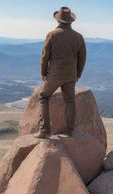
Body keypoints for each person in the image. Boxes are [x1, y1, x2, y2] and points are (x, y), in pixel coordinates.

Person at [35, 7, 86, 139]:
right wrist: (78, 73)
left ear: (58, 20)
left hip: (55, 74)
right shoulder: (78, 37)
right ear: (70, 21)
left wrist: (43, 72)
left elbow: (45, 56)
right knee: (70, 101)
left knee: (43, 97)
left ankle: (44, 130)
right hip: (71, 74)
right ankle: (69, 130)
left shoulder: (52, 34)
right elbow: (82, 57)